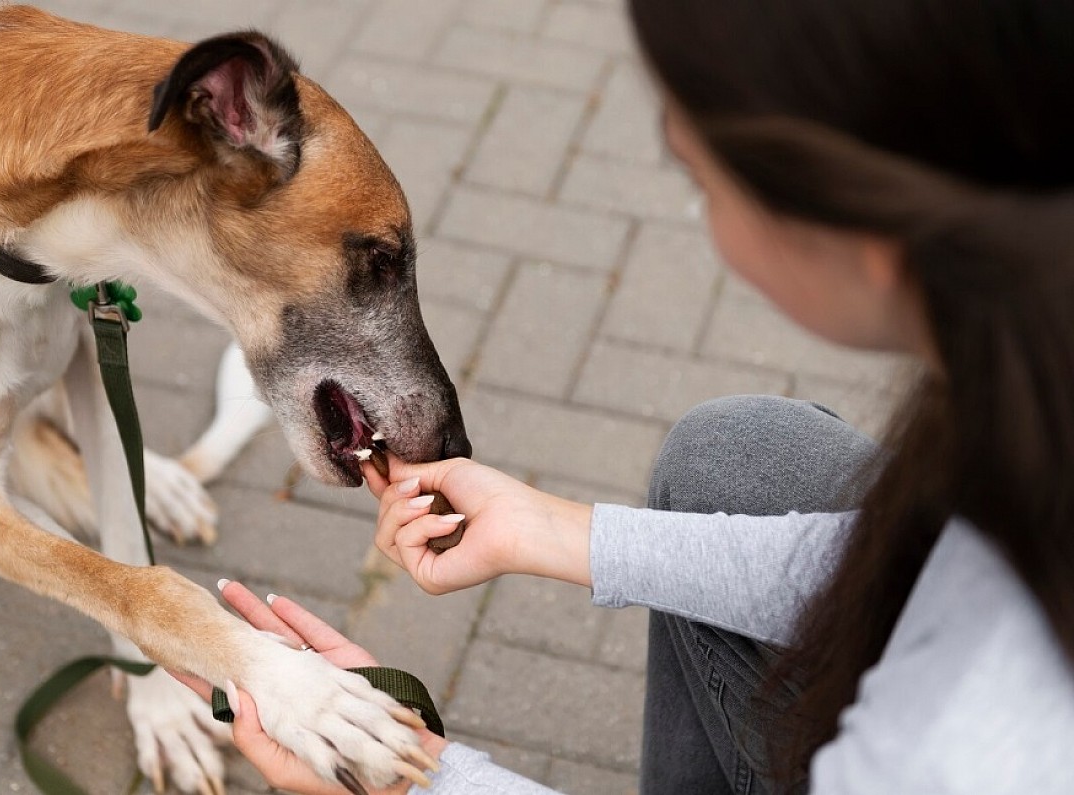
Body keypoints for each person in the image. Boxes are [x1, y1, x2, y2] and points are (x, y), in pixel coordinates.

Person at [175, 0, 1074, 792]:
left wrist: (418, 779)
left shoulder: (976, 741)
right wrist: (563, 532)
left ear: (853, 222)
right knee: (735, 454)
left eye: (699, 174)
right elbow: (913, 572)